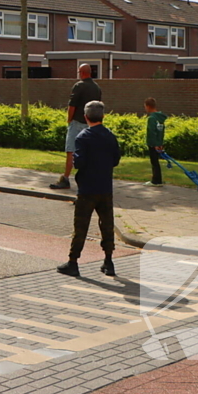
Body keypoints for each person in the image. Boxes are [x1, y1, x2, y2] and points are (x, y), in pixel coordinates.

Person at [57, 100, 119, 278]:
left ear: (85, 117)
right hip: (105, 187)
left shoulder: (83, 137)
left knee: (81, 226)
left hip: (87, 188)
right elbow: (116, 159)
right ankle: (108, 261)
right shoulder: (110, 136)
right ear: (103, 116)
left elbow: (79, 163)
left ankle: (73, 262)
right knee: (107, 225)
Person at [51, 64, 102, 190]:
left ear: (82, 73)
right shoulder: (97, 88)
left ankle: (65, 179)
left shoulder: (79, 86)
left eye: (79, 72)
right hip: (90, 124)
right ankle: (90, 180)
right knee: (88, 153)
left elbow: (72, 105)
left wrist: (69, 120)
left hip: (77, 122)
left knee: (71, 150)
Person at [144, 97, 167, 187]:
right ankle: (158, 179)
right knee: (156, 162)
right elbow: (161, 131)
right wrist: (160, 143)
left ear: (148, 106)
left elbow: (152, 131)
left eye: (145, 106)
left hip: (153, 144)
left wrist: (154, 144)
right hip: (158, 143)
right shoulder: (160, 118)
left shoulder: (152, 118)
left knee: (154, 162)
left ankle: (156, 181)